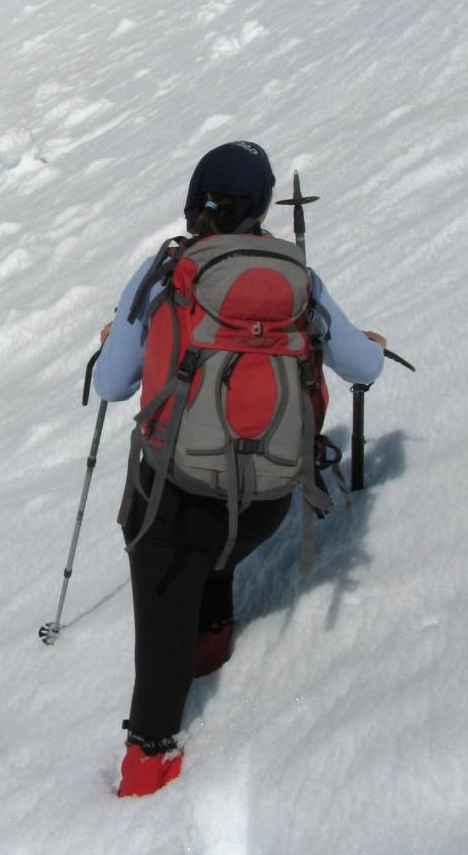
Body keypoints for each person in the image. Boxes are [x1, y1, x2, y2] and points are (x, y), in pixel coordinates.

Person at [91, 142, 387, 799]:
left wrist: (115, 335)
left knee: (164, 597)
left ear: (193, 201)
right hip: (268, 495)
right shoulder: (296, 277)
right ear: (258, 206)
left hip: (171, 495)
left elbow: (111, 384)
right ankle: (213, 637)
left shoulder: (164, 274)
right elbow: (362, 370)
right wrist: (365, 344)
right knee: (222, 539)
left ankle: (147, 763)